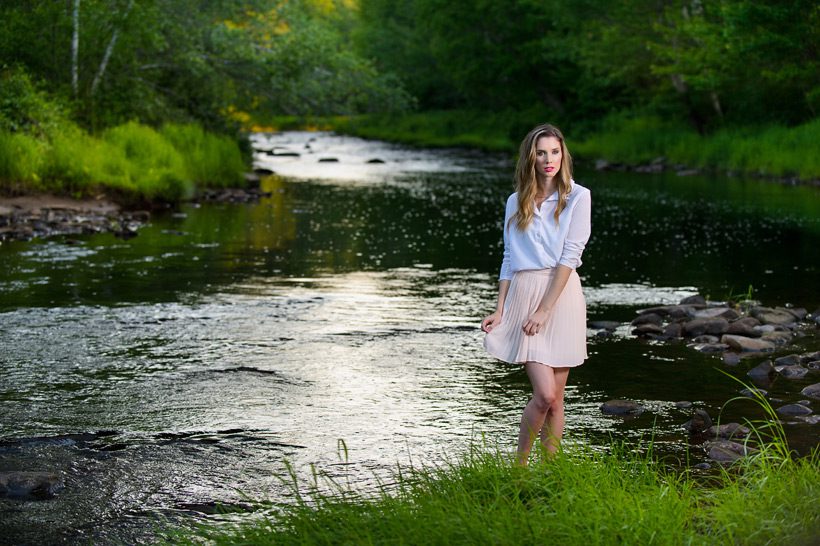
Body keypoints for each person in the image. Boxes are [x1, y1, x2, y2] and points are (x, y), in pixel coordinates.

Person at [481, 123, 591, 465]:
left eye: (555, 152)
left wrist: (545, 310)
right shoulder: (516, 200)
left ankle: (551, 472)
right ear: (531, 156)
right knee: (542, 394)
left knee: (556, 399)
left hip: (562, 295)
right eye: (541, 152)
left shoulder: (578, 196)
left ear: (563, 154)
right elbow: (510, 258)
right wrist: (500, 309)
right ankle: (520, 468)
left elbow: (570, 256)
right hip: (524, 294)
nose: (549, 160)